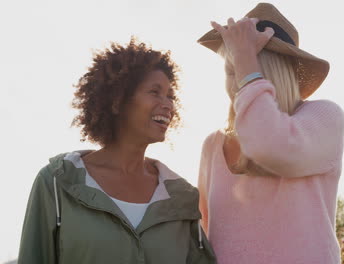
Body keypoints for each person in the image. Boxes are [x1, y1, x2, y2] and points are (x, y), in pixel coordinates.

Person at [17, 38, 217, 264]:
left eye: (170, 96)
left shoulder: (182, 198)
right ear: (118, 99)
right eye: (155, 92)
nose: (168, 104)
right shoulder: (56, 182)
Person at [197, 3, 344, 264]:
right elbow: (203, 233)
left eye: (242, 69)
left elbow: (270, 145)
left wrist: (245, 64)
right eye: (230, 72)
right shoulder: (213, 145)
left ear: (271, 71)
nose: (234, 83)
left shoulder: (325, 118)